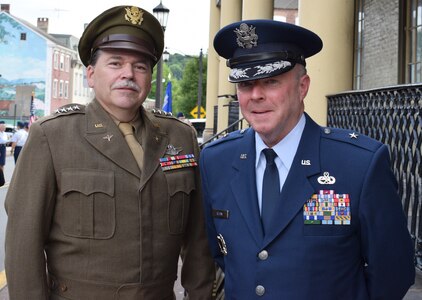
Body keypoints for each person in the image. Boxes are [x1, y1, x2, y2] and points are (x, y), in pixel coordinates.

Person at [5, 5, 215, 299]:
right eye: (115, 63)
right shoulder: (51, 136)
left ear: (149, 78)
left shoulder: (180, 136)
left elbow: (198, 240)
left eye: (140, 66)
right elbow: (23, 245)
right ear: (91, 74)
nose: (128, 74)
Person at [199, 19, 415, 299]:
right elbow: (222, 255)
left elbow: (393, 273)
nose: (256, 95)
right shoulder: (215, 160)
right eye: (245, 84)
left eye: (271, 81)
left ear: (302, 87)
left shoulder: (358, 164)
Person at [0, 121, 8, 185]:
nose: (4, 128)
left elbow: (5, 141)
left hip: (3, 147)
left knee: (2, 163)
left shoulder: (5, 133)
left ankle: (1, 178)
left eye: (4, 127)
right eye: (3, 127)